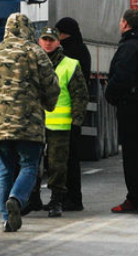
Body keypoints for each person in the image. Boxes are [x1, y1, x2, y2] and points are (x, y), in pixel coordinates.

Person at [0, 13, 60, 233]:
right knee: (29, 165)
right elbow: (52, 86)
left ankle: (6, 219)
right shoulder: (36, 53)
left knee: (5, 169)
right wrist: (49, 104)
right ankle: (17, 199)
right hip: (29, 122)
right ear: (29, 30)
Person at [28, 27, 89, 218]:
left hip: (60, 126)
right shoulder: (30, 63)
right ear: (39, 41)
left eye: (51, 40)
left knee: (57, 166)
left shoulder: (70, 65)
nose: (47, 43)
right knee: (31, 164)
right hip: (35, 124)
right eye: (44, 39)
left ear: (58, 42)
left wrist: (76, 122)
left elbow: (80, 96)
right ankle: (33, 198)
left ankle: (56, 201)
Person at [104, 9, 138, 214]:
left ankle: (136, 199)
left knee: (132, 155)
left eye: (121, 21)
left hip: (131, 105)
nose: (119, 24)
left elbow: (122, 76)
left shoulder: (129, 47)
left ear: (126, 24)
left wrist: (110, 94)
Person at [55, 16, 91, 212]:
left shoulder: (69, 53)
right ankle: (70, 197)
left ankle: (72, 198)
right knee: (69, 159)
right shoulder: (81, 50)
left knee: (67, 160)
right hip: (72, 113)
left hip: (66, 114)